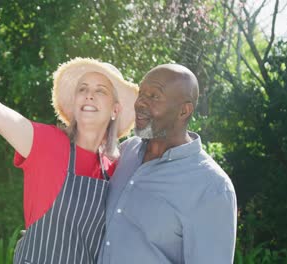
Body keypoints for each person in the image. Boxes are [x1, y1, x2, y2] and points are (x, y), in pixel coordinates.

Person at [0, 14, 138, 264]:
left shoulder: (117, 168)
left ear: (115, 109)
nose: (89, 96)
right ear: (73, 104)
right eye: (82, 89)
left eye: (100, 91)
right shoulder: (47, 143)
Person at [98, 64, 237, 264]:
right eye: (141, 94)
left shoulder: (212, 188)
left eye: (154, 96)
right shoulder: (126, 151)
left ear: (184, 111)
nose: (140, 103)